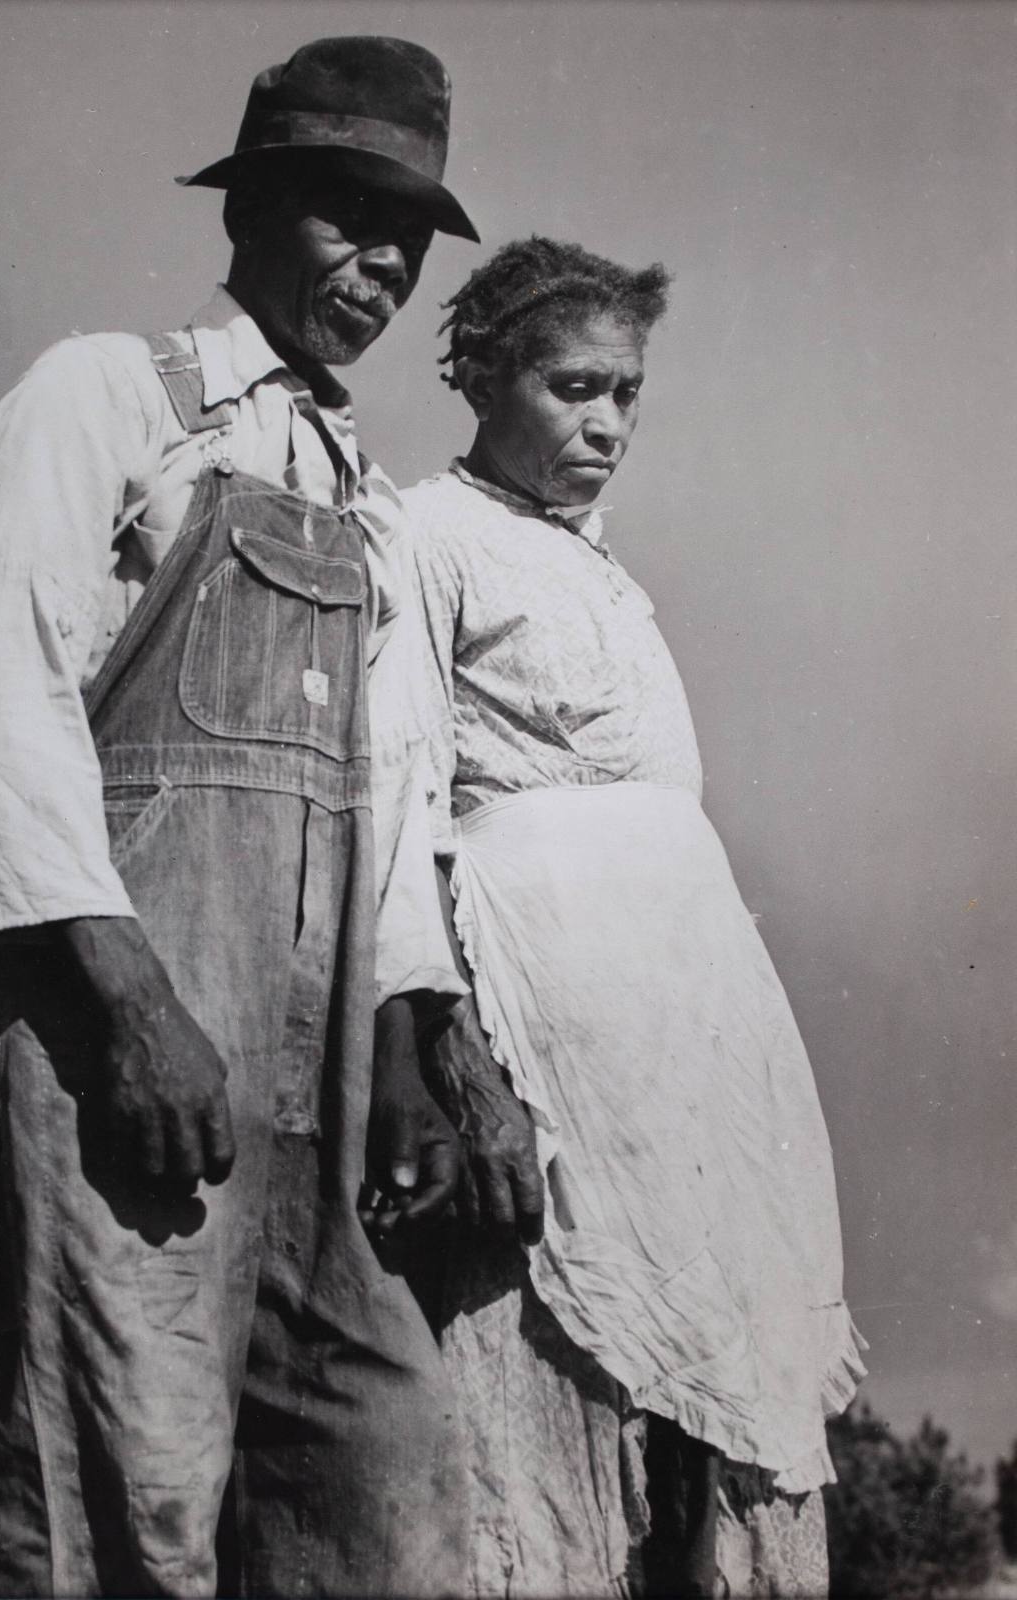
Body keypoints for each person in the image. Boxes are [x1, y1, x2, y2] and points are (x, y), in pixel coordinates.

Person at [0, 37, 480, 1599]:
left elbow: (401, 787)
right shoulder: (112, 392)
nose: (380, 264)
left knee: (387, 1510)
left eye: (409, 238)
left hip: (318, 1080)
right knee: (126, 1511)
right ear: (252, 210)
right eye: (345, 216)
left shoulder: (365, 489)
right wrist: (134, 999)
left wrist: (404, 1050)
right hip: (116, 1047)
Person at [405, 236, 866, 1598]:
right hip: (546, 999)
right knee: (558, 1390)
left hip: (693, 1010)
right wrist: (456, 1056)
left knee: (726, 1387)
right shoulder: (428, 534)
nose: (605, 424)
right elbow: (407, 803)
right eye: (570, 387)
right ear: (485, 374)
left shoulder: (602, 566)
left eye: (627, 395)